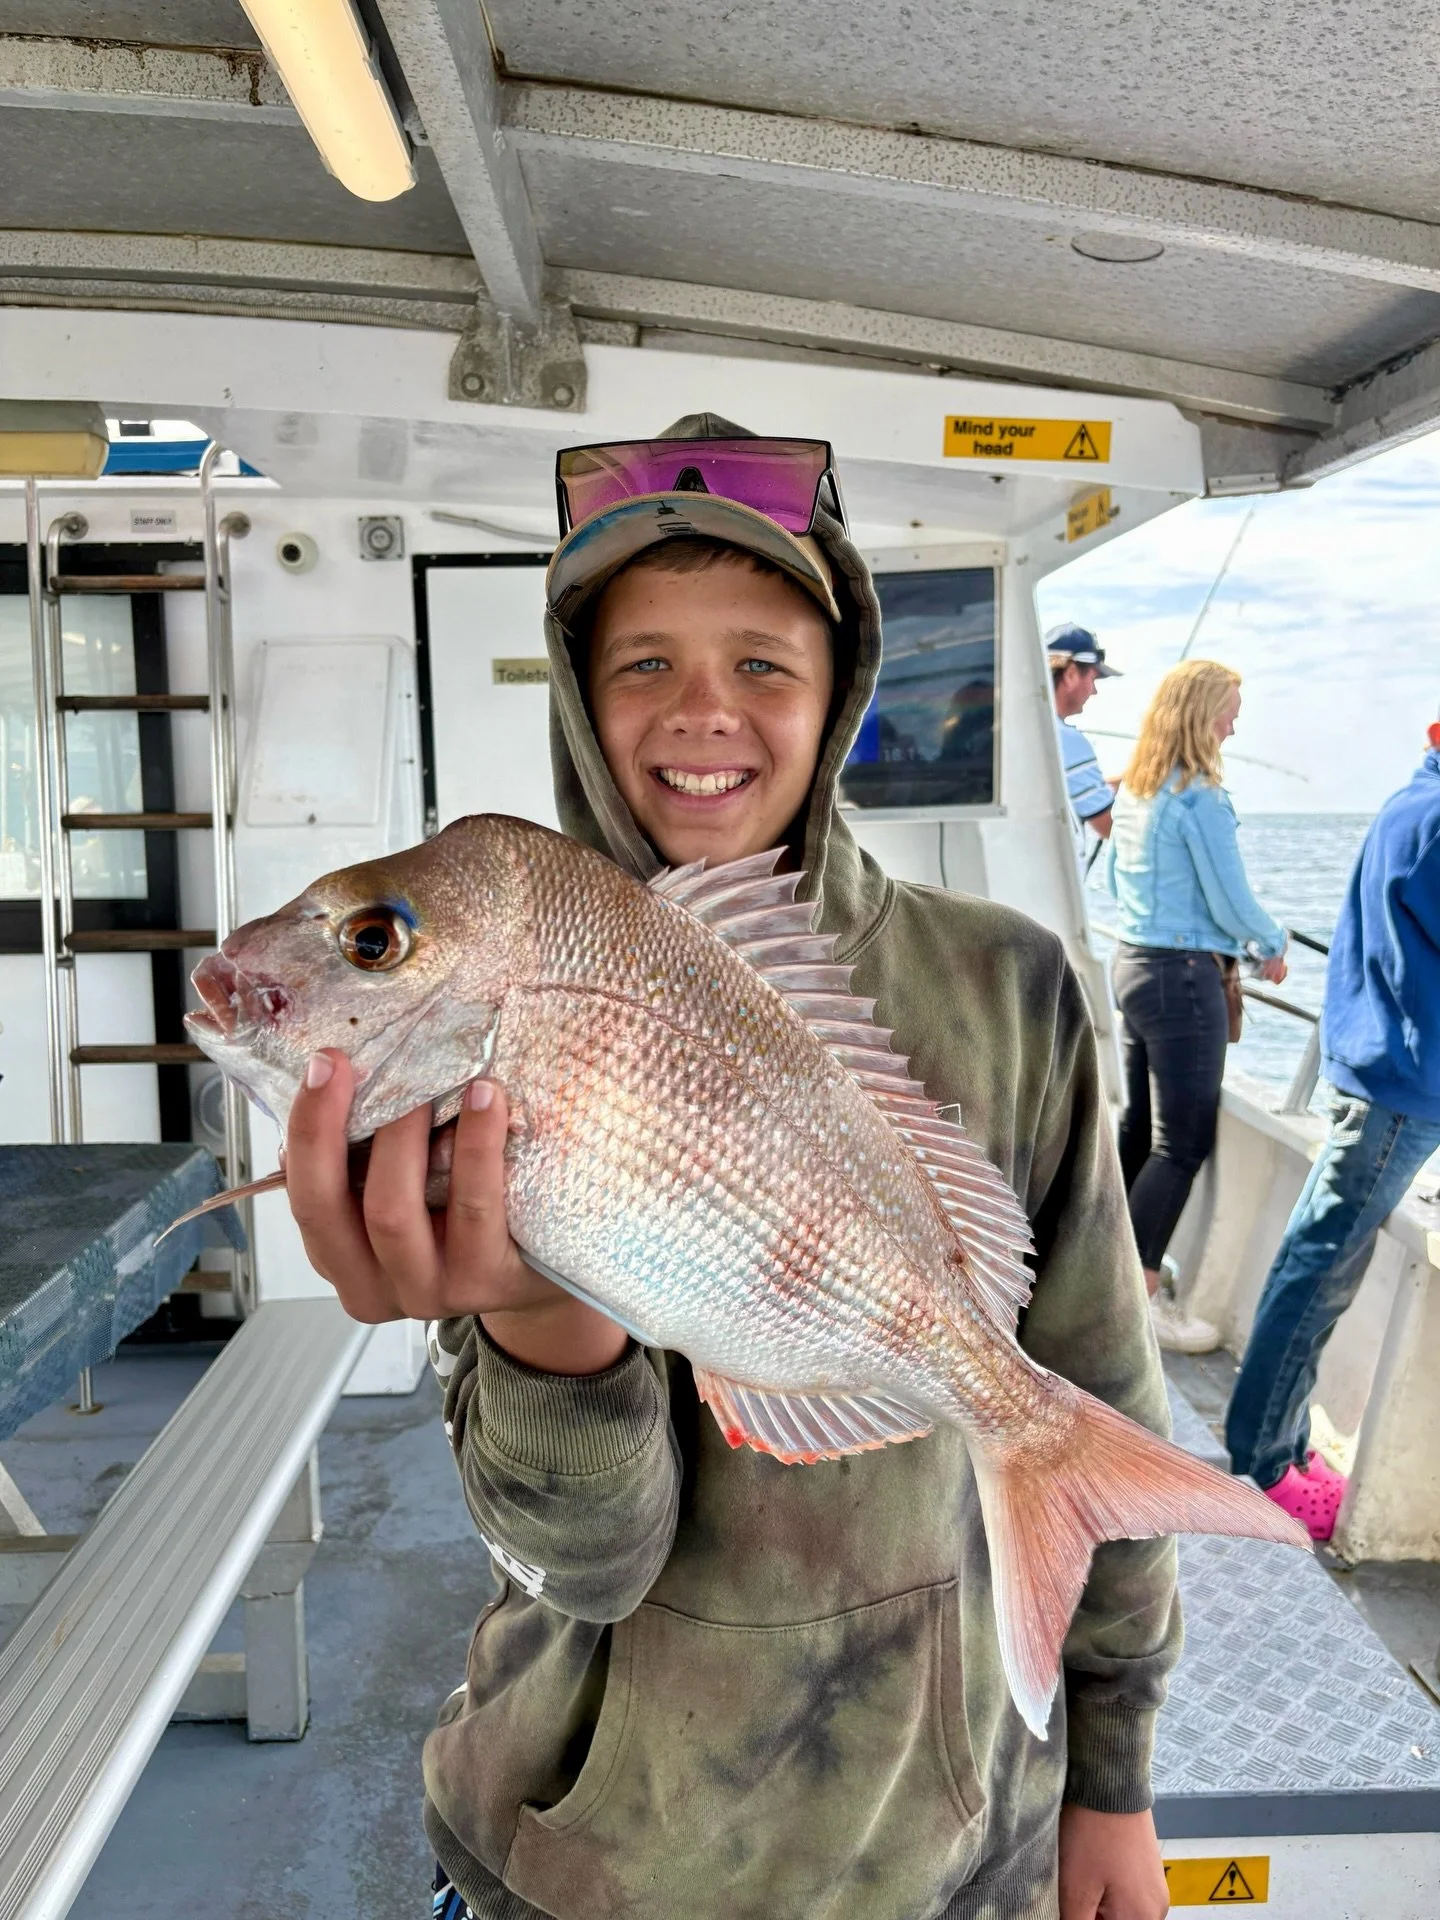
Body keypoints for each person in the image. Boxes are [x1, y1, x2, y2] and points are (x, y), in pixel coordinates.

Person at [285, 417, 1178, 1920]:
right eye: (643, 664)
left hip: (950, 1852)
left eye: (764, 662)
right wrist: (537, 1330)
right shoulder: (481, 1036)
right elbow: (583, 1564)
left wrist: (1115, 1782)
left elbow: (1104, 1383)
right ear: (580, 698)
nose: (704, 711)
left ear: (838, 699)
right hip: (593, 1866)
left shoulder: (1014, 989)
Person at [1226, 714, 1440, 1540]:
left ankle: (1281, 1440)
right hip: (1400, 1089)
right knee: (1317, 1275)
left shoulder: (1408, 805)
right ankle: (1263, 1465)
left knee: (1316, 1267)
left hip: (1374, 1071)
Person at [1105, 660, 1289, 1354]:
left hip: (1134, 968)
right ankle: (1141, 1298)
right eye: (1228, 710)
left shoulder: (1137, 791)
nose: (1235, 724)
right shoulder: (1201, 797)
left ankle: (1106, 1276)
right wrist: (1270, 943)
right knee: (1180, 1143)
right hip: (1184, 979)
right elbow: (1228, 899)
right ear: (1202, 713)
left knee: (1139, 1129)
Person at [1049, 623, 1119, 846]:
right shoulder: (1066, 741)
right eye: (1093, 678)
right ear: (1070, 674)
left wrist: (1140, 775)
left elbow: (1081, 786)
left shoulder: (1036, 732)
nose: (1094, 690)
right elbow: (1109, 827)